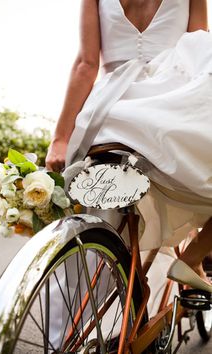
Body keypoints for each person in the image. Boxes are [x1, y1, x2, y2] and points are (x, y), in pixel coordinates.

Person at [46, 0, 212, 292]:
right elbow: (201, 54)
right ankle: (193, 255)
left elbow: (86, 66)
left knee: (97, 225)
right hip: (169, 113)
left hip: (112, 114)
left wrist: (60, 138)